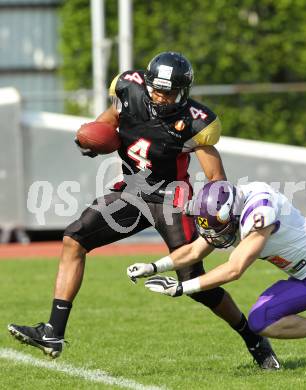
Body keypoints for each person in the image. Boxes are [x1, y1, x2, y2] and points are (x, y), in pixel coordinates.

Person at [8, 52, 279, 369]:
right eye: (157, 90)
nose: (161, 98)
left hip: (172, 199)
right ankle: (53, 331)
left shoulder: (195, 121)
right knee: (73, 239)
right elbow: (105, 125)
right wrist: (92, 140)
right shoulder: (129, 88)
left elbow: (217, 178)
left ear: (183, 91)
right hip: (133, 192)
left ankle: (253, 338)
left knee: (195, 283)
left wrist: (216, 210)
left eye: (169, 92)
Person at [128, 180, 306, 362]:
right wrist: (154, 266)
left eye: (222, 229)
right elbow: (194, 251)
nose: (218, 237)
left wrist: (183, 287)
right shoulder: (229, 213)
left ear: (233, 213)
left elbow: (235, 269)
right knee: (262, 321)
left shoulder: (260, 209)